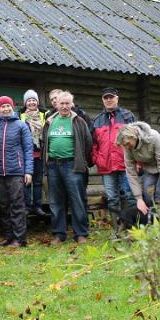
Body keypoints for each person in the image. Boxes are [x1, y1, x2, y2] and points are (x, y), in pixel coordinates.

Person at [42, 91, 92, 245]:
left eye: (67, 103)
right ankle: (59, 234)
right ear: (56, 104)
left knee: (76, 200)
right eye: (61, 103)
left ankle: (81, 234)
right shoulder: (50, 121)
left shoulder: (78, 121)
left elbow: (88, 143)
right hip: (53, 166)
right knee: (56, 202)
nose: (64, 106)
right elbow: (44, 142)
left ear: (72, 104)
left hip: (72, 165)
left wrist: (81, 161)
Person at [0, 96, 33, 248]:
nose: (5, 109)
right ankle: (8, 237)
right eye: (2, 107)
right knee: (4, 205)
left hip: (16, 171)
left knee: (17, 205)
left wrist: (28, 171)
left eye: (8, 106)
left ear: (12, 108)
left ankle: (20, 239)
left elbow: (28, 149)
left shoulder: (21, 125)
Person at [91, 87, 137, 238]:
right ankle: (116, 230)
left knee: (131, 196)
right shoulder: (97, 120)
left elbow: (137, 139)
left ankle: (133, 229)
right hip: (106, 166)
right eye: (106, 98)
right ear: (103, 100)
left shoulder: (127, 116)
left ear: (117, 99)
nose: (109, 100)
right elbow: (94, 144)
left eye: (111, 97)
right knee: (112, 199)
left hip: (126, 165)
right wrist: (97, 159)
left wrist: (138, 162)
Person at [115, 122, 160, 217]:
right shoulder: (128, 148)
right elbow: (131, 173)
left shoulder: (153, 137)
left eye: (128, 143)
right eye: (124, 145)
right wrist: (139, 198)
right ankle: (151, 218)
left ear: (133, 136)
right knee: (147, 193)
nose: (127, 147)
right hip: (150, 165)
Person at [20, 89, 46, 217]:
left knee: (38, 182)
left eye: (34, 100)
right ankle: (27, 207)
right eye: (29, 100)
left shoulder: (43, 115)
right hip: (26, 155)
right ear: (25, 103)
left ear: (37, 102)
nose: (31, 102)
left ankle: (38, 206)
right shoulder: (21, 116)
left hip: (39, 154)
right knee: (26, 182)